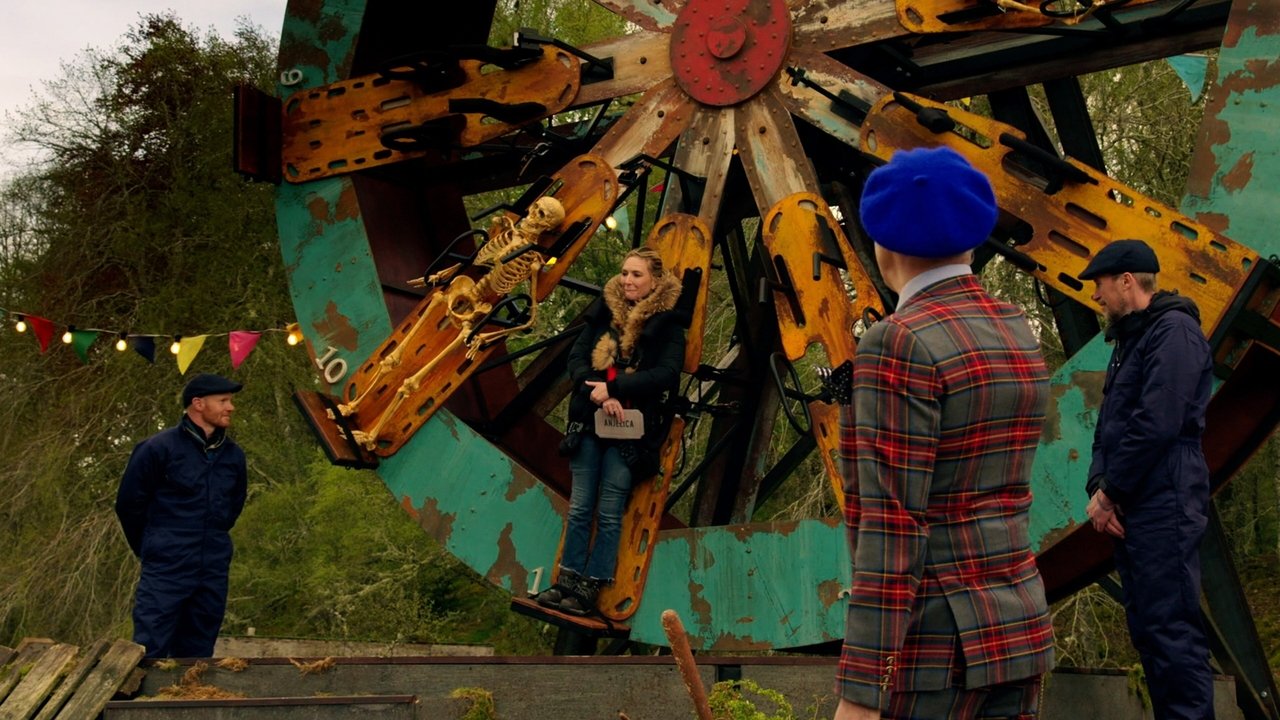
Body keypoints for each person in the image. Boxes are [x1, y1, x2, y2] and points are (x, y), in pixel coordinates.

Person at [836, 147, 1055, 719]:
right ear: (973, 239)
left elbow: (893, 525)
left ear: (883, 244)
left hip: (936, 652)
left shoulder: (898, 341)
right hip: (1018, 632)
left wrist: (862, 690)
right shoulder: (1015, 329)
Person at [1080, 239, 1214, 720]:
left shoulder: (1174, 332)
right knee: (1149, 629)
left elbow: (1158, 422)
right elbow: (1109, 425)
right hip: (1136, 498)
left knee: (1171, 628)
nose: (1096, 295)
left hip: (1165, 494)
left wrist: (1111, 493)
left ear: (1126, 281)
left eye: (1100, 284)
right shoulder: (1130, 339)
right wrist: (1099, 486)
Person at [534, 247, 687, 616]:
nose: (627, 280)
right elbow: (577, 359)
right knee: (580, 507)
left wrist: (615, 388)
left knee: (609, 509)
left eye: (636, 274)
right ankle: (566, 581)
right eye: (625, 273)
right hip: (590, 422)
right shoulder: (603, 313)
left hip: (631, 432)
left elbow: (667, 374)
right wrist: (598, 393)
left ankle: (590, 588)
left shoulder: (668, 325)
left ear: (655, 281)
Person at [115, 373, 247, 658]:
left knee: (199, 646)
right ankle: (147, 688)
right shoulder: (158, 448)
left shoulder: (233, 456)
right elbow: (128, 505)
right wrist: (153, 545)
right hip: (167, 562)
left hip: (212, 562)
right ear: (198, 404)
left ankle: (191, 687)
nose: (231, 407)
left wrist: (211, 538)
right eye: (223, 401)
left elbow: (234, 505)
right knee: (151, 643)